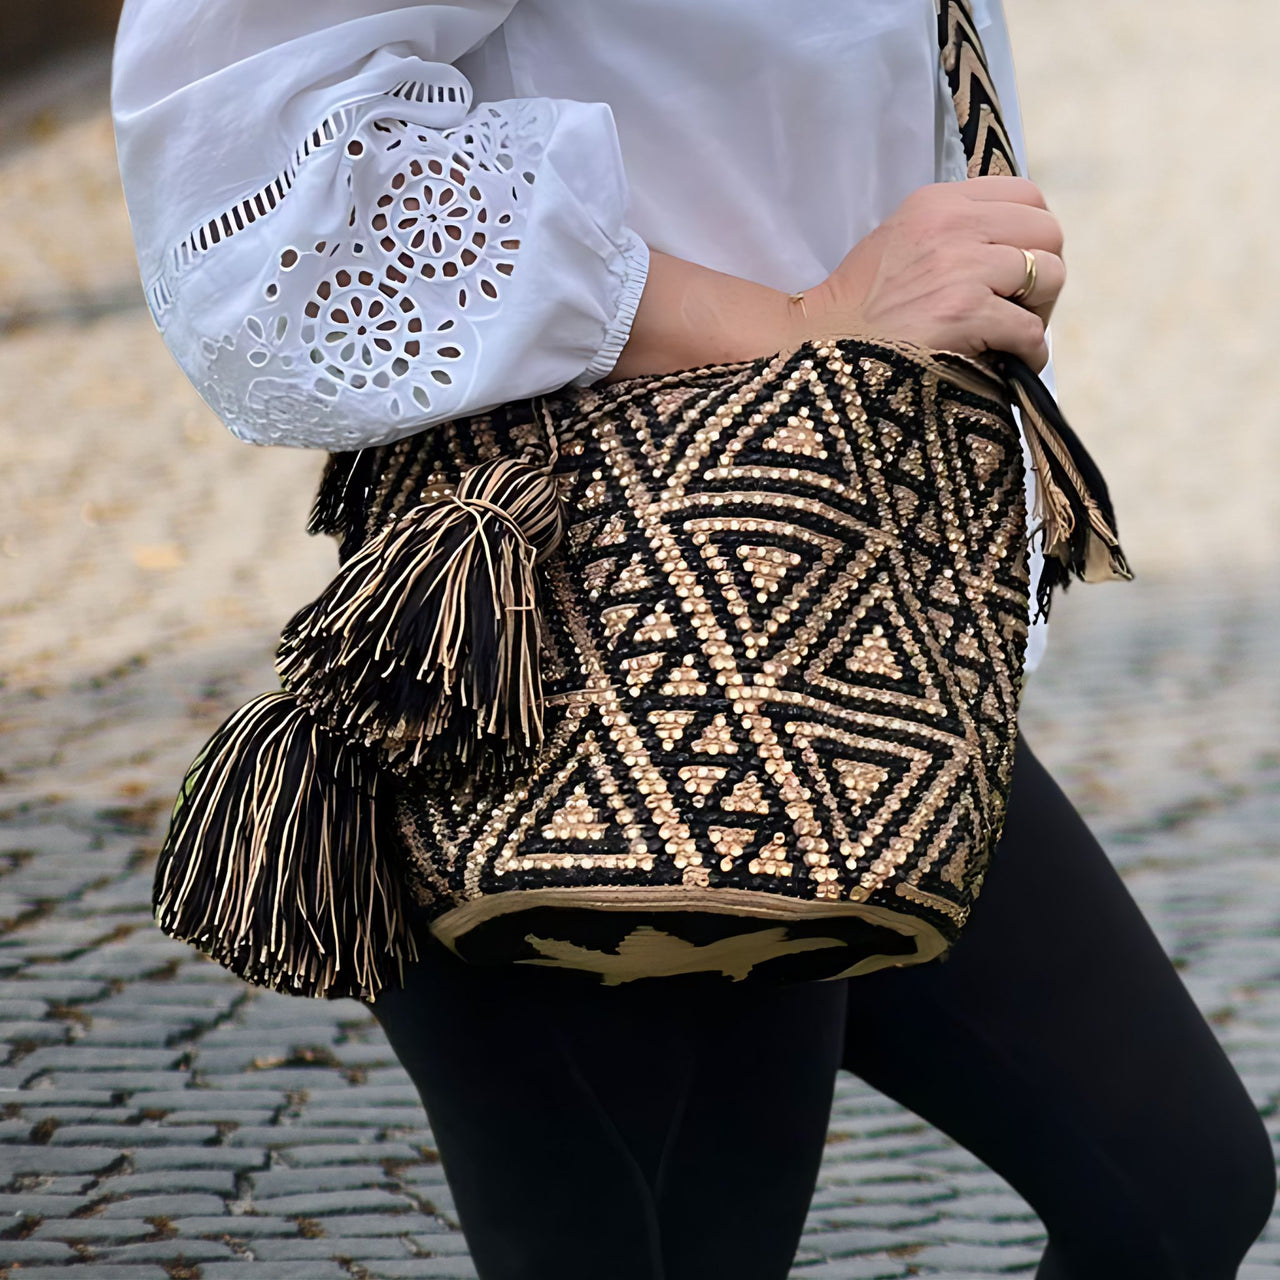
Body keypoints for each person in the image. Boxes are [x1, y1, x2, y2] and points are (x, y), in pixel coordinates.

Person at [111, 2, 1277, 1276]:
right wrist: (806, 316)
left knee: (1176, 1183)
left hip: (841, 644)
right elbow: (259, 166)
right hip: (571, 673)